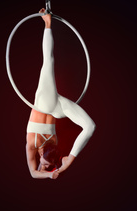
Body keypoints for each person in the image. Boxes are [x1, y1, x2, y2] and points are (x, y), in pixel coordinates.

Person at [26, 8, 95, 179]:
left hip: (55, 107)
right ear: (41, 153)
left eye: (46, 166)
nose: (45, 167)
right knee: (48, 61)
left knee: (90, 127)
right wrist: (50, 173)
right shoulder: (33, 146)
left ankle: (70, 159)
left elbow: (35, 174)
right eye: (48, 165)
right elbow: (35, 173)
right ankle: (47, 23)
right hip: (48, 105)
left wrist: (53, 173)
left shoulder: (44, 145)